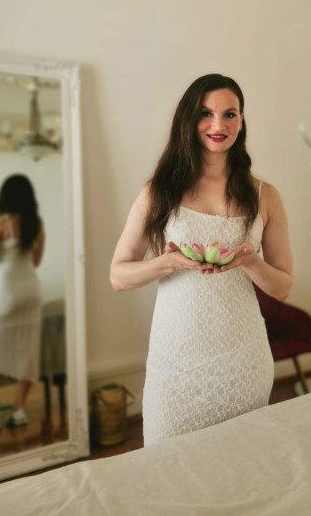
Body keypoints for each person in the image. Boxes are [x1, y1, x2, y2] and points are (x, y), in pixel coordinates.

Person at [110, 74, 293, 445]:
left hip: (243, 361)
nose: (218, 124)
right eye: (206, 114)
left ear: (241, 121)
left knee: (241, 466)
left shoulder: (265, 195)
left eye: (230, 114)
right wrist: (168, 263)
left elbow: (283, 287)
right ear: (188, 120)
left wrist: (250, 261)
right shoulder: (159, 192)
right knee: (167, 466)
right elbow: (118, 275)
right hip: (176, 364)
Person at [0, 174, 45, 432]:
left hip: (4, 294)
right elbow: (36, 261)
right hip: (30, 293)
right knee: (26, 351)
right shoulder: (36, 224)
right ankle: (18, 410)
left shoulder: (0, 222)